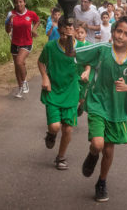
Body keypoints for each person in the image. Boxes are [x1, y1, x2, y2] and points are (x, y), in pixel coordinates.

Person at [72, 16, 127, 202]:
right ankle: (92, 153)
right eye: (118, 31)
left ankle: (101, 182)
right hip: (97, 103)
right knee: (98, 144)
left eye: (126, 34)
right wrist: (66, 37)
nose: (121, 36)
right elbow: (73, 52)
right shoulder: (102, 49)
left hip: (117, 111)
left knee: (109, 150)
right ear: (113, 31)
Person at [38, 16, 85, 170]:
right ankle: (51, 134)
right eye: (63, 34)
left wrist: (87, 73)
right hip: (53, 91)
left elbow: (90, 63)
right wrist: (45, 77)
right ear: (58, 31)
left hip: (71, 92)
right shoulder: (50, 47)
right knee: (55, 126)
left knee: (68, 128)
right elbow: (41, 61)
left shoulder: (82, 48)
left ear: (75, 30)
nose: (65, 37)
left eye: (69, 34)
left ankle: (61, 157)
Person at [5, 0, 40, 98]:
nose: (19, 4)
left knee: (20, 62)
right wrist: (8, 22)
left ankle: (24, 82)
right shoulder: (11, 14)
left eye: (20, 2)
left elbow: (37, 21)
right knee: (17, 66)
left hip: (27, 42)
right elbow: (7, 31)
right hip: (15, 43)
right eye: (16, 2)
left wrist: (33, 30)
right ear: (15, 4)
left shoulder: (31, 14)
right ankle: (20, 88)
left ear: (24, 3)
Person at [75, 22, 93, 117]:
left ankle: (82, 104)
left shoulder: (90, 45)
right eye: (78, 32)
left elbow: (92, 62)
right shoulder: (72, 45)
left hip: (85, 75)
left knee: (82, 97)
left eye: (82, 32)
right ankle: (70, 117)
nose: (79, 35)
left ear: (86, 33)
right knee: (74, 95)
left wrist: (88, 72)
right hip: (74, 73)